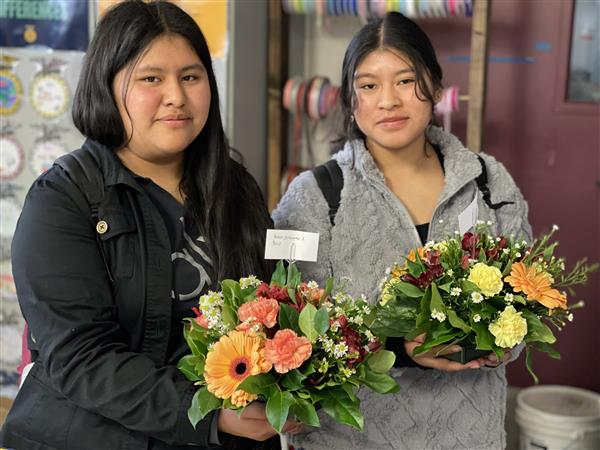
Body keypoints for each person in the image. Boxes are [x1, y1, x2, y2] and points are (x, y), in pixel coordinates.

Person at [0, 1, 301, 449]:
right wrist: (209, 416)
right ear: (107, 86)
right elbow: (82, 358)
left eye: (191, 76)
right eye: (150, 79)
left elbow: (269, 309)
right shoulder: (62, 200)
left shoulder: (235, 188)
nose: (176, 95)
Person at [273, 12, 532, 450]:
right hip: (352, 437)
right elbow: (289, 332)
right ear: (351, 101)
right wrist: (398, 344)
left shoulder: (488, 180)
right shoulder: (314, 196)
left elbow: (529, 298)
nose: (388, 101)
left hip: (469, 434)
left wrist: (505, 339)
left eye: (406, 81)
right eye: (369, 85)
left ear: (434, 85)